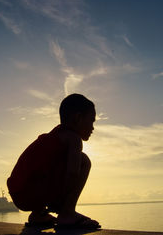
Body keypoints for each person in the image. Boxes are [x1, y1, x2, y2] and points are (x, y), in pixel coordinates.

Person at [7, 94, 100, 229]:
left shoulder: (55, 136)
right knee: (84, 161)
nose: (93, 128)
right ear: (78, 118)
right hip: (32, 190)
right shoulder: (73, 139)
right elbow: (73, 174)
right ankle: (67, 214)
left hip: (19, 193)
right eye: (91, 121)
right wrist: (61, 204)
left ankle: (37, 215)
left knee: (50, 166)